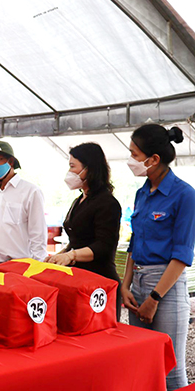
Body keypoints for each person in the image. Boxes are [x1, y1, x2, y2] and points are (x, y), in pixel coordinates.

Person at [121, 125, 194, 391]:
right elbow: (135, 242)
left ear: (153, 159)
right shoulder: (142, 193)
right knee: (144, 363)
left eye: (134, 154)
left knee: (171, 370)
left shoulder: (184, 195)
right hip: (138, 282)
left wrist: (154, 298)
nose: (130, 160)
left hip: (165, 286)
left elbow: (182, 254)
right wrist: (125, 285)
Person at [45, 143, 122, 319]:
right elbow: (77, 240)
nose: (69, 172)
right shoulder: (80, 200)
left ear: (89, 169)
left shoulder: (107, 203)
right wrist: (59, 256)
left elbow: (104, 246)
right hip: (78, 280)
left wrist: (71, 255)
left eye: (73, 166)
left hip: (100, 282)